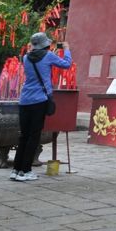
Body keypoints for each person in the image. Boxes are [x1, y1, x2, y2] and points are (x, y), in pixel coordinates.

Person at [11, 32, 72, 182]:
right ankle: (26, 171)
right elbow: (66, 64)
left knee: (24, 136)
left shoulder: (26, 57)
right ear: (45, 44)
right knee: (34, 136)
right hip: (39, 101)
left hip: (24, 100)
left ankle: (16, 169)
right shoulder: (48, 56)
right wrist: (67, 49)